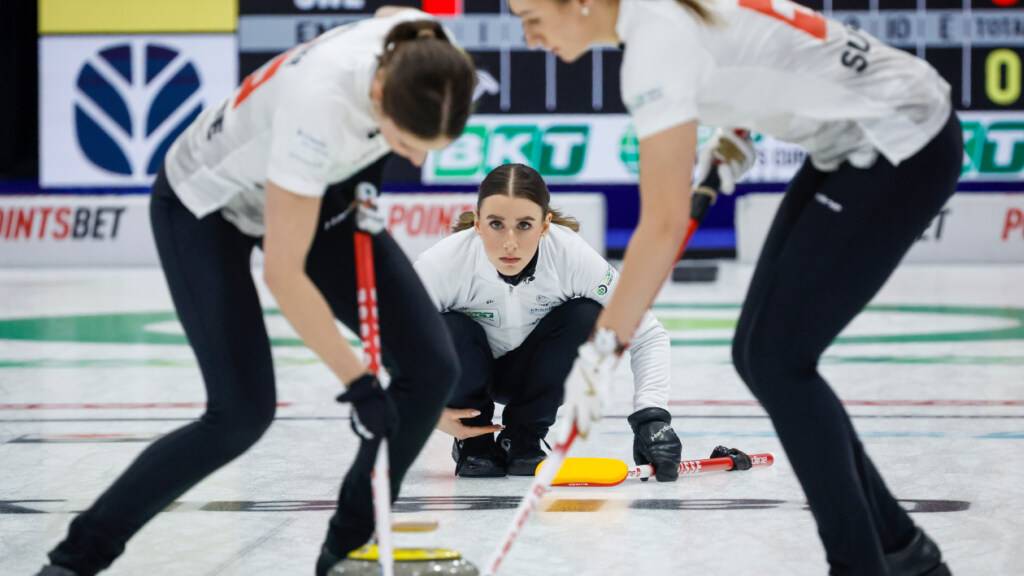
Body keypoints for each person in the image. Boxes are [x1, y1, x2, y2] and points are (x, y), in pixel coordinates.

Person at [507, 1, 959, 575]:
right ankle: (902, 551)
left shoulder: (652, 46)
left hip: (902, 139)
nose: (528, 37)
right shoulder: (658, 18)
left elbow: (662, 225)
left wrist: (603, 350)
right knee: (759, 355)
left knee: (778, 360)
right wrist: (734, 132)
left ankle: (862, 563)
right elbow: (766, 49)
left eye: (531, 16)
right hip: (858, 138)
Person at [36, 8, 475, 576]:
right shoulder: (318, 107)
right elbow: (284, 273)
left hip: (320, 185)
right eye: (403, 142)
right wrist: (359, 383)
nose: (417, 159)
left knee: (430, 369)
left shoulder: (429, 51)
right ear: (378, 91)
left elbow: (390, 14)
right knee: (241, 413)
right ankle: (75, 560)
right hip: (205, 206)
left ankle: (344, 553)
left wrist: (371, 165)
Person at [415, 163, 681, 478]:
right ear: (477, 224)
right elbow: (389, 341)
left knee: (588, 315)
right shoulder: (443, 264)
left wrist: (651, 418)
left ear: (545, 225)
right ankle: (475, 441)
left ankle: (524, 437)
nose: (510, 242)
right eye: (496, 224)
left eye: (525, 225)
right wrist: (427, 412)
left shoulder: (570, 256)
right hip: (468, 371)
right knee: (446, 327)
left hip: (533, 373)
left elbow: (647, 333)